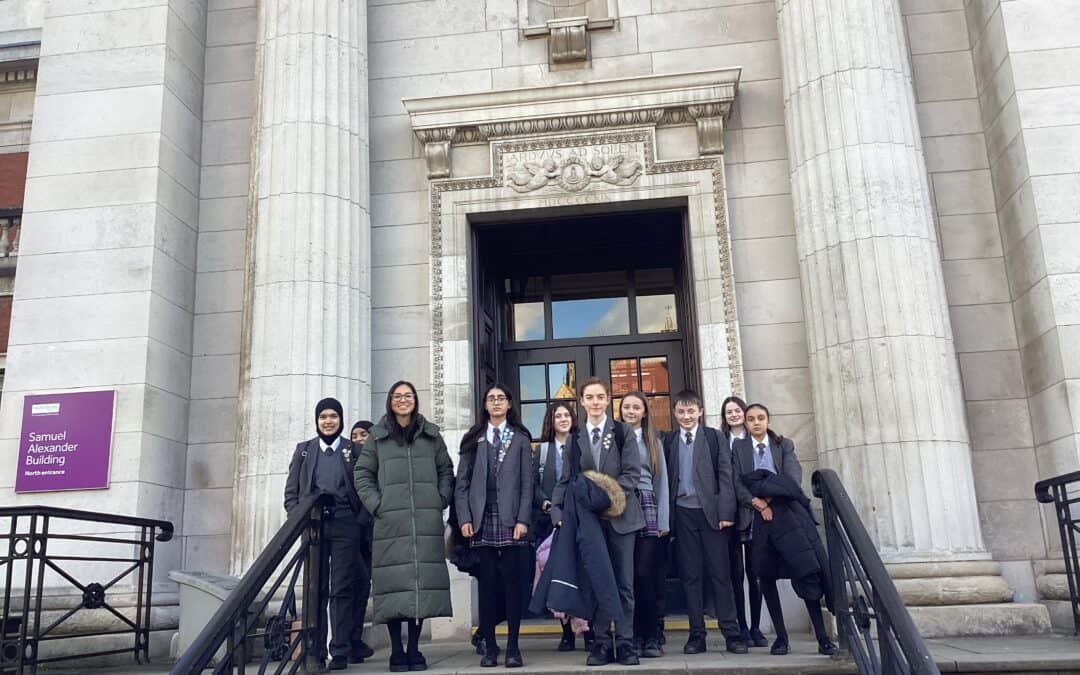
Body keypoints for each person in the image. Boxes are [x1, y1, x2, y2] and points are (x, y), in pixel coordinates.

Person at [354, 381, 455, 672]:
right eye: (397, 396)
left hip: (425, 520)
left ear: (415, 400)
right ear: (390, 401)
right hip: (390, 524)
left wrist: (440, 499)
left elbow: (446, 470)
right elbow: (362, 473)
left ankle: (414, 649)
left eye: (408, 396)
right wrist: (377, 505)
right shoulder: (377, 437)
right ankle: (396, 651)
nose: (403, 401)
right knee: (394, 586)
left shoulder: (431, 435)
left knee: (419, 586)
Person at [732, 403, 838, 657]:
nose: (756, 422)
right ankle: (781, 637)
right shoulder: (739, 447)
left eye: (760, 418)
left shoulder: (783, 444)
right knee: (765, 576)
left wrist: (767, 499)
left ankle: (823, 638)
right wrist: (757, 503)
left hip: (790, 517)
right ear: (745, 423)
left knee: (806, 572)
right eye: (750, 419)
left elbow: (791, 478)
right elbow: (738, 481)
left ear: (768, 420)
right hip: (760, 521)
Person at [551, 377, 644, 667]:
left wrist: (608, 499)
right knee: (599, 582)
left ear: (608, 400)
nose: (595, 402)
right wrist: (557, 513)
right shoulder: (575, 440)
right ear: (581, 401)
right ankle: (602, 642)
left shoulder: (622, 432)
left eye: (600, 397)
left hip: (622, 519)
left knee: (624, 583)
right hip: (590, 523)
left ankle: (626, 642)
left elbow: (632, 474)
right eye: (589, 398)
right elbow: (565, 481)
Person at [455, 384, 534, 669]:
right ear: (485, 405)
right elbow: (461, 484)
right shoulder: (473, 439)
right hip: (480, 519)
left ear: (509, 404)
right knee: (487, 586)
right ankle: (490, 645)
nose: (497, 402)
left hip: (512, 519)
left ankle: (513, 646)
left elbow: (528, 483)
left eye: (502, 398)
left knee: (513, 586)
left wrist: (523, 520)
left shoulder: (521, 438)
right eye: (492, 399)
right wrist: (464, 518)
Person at [282, 397, 364, 670]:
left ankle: (339, 649)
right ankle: (313, 648)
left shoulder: (354, 450)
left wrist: (359, 520)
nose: (328, 421)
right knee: (316, 588)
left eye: (333, 416)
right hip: (314, 526)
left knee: (342, 588)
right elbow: (291, 493)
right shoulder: (304, 451)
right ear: (317, 421)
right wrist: (299, 519)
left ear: (341, 420)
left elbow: (364, 488)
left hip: (345, 524)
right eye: (323, 417)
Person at [664, 390, 747, 655]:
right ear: (675, 413)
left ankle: (731, 634)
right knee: (690, 576)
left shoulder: (714, 438)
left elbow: (726, 475)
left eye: (691, 411)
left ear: (700, 411)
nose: (686, 416)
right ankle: (696, 635)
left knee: (720, 574)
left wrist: (726, 513)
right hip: (683, 513)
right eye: (681, 412)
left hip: (711, 516)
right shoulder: (670, 440)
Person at [532, 401, 589, 652]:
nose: (563, 419)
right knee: (558, 577)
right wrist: (545, 504)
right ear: (551, 421)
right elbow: (532, 483)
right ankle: (566, 633)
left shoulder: (582, 445)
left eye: (567, 415)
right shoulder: (542, 451)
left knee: (583, 574)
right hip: (551, 522)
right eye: (558, 416)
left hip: (579, 521)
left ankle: (589, 631)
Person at [617, 393, 669, 659]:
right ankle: (632, 636)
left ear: (644, 411)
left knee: (644, 574)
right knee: (627, 577)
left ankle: (652, 636)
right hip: (622, 507)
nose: (631, 410)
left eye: (636, 407)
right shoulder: (614, 438)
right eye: (626, 406)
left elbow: (662, 482)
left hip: (647, 504)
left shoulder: (653, 441)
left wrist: (663, 520)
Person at [719, 396, 767, 649]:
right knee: (735, 574)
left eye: (738, 410)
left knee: (755, 572)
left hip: (753, 513)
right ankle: (741, 626)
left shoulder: (755, 442)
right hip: (730, 515)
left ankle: (757, 626)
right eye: (729, 412)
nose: (734, 415)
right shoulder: (719, 440)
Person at [348, 420, 376, 662]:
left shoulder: (379, 461)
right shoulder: (347, 463)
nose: (358, 439)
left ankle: (353, 639)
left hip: (375, 533)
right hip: (355, 534)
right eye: (354, 435)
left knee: (364, 586)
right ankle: (350, 639)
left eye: (363, 434)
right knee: (357, 585)